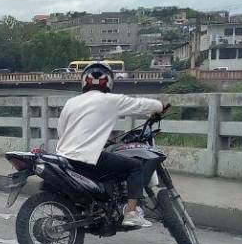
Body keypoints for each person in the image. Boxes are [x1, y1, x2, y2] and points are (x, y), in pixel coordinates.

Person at [54, 62, 164, 229]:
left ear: (84, 81)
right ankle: (131, 213)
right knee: (135, 167)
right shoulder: (111, 100)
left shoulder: (71, 102)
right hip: (87, 158)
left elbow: (61, 131)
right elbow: (141, 104)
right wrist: (162, 106)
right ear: (108, 81)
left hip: (64, 158)